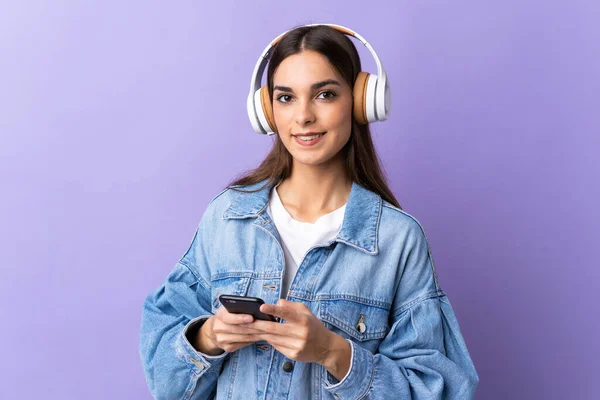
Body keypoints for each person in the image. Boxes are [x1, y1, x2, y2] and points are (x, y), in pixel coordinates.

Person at [139, 23, 479, 399]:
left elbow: (438, 389)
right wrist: (208, 336)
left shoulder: (397, 241)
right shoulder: (228, 217)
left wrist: (333, 353)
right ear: (266, 110)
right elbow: (164, 378)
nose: (303, 117)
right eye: (286, 98)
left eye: (325, 95)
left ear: (362, 100)